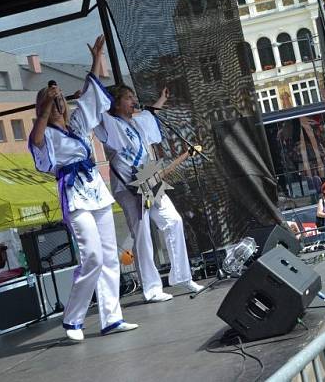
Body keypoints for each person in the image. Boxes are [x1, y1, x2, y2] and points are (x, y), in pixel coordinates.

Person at [29, 36, 138, 341]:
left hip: (96, 191)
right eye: (52, 100)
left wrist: (96, 59)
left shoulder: (77, 123)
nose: (59, 102)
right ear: (44, 106)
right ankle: (73, 318)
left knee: (108, 255)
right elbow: (37, 143)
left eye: (61, 98)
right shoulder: (45, 133)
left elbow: (91, 97)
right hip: (74, 194)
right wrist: (47, 102)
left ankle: (111, 318)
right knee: (91, 255)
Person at [95, 83, 204, 303]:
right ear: (115, 103)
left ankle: (182, 276)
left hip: (148, 177)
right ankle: (152, 288)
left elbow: (150, 113)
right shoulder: (109, 124)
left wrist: (162, 99)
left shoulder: (138, 121)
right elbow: (96, 108)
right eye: (128, 97)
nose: (133, 100)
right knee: (142, 233)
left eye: (133, 96)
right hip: (128, 186)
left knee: (173, 220)